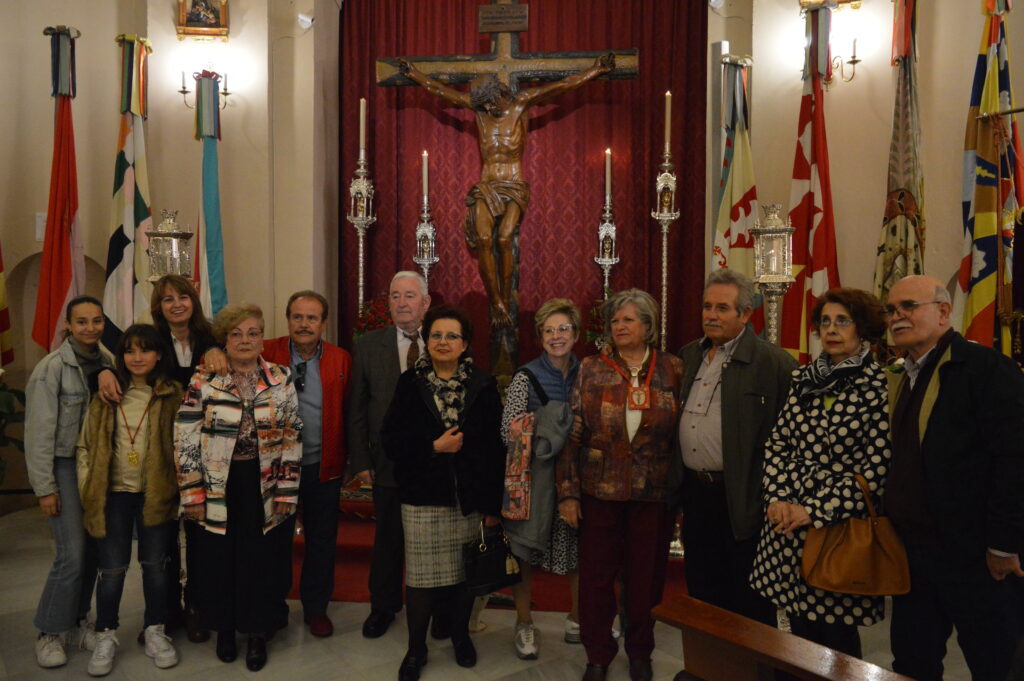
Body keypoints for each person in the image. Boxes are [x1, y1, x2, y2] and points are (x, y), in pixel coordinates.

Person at [397, 55, 614, 328]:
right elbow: (442, 92)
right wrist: (415, 75)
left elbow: (562, 87)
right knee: (485, 237)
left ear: (499, 95)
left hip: (514, 185)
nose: (487, 108)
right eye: (482, 105)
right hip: (487, 185)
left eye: (490, 103)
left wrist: (594, 71)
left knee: (504, 238)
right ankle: (497, 299)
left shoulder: (521, 103)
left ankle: (506, 298)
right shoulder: (479, 110)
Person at [884, 275, 1024, 681]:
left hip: (975, 556)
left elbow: (1014, 459)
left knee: (996, 663)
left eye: (908, 306)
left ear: (943, 312)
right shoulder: (901, 375)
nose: (897, 317)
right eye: (891, 310)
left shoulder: (985, 369)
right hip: (915, 554)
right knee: (911, 663)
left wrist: (1003, 543)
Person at [748, 288, 891, 658]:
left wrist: (812, 510)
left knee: (836, 639)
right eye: (825, 322)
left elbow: (875, 470)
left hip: (836, 530)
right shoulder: (804, 378)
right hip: (786, 525)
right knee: (795, 634)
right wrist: (777, 496)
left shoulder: (880, 385)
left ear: (863, 328)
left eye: (842, 321)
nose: (832, 329)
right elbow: (778, 443)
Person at [557, 289, 685, 681]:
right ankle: (598, 654)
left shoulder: (672, 368)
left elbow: (681, 435)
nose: (620, 326)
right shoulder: (592, 368)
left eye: (629, 320)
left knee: (645, 579)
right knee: (596, 578)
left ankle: (640, 650)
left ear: (648, 326)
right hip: (600, 492)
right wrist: (568, 493)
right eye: (615, 321)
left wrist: (680, 498)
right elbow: (573, 434)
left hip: (653, 492)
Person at [95, 274, 229, 644]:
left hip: (208, 449)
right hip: (163, 451)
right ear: (159, 307)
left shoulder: (211, 338)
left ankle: (199, 608)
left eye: (182, 297)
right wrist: (103, 370)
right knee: (163, 540)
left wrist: (221, 351)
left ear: (193, 301)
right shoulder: (152, 341)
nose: (176, 304)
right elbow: (118, 362)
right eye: (167, 299)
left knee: (202, 536)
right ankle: (167, 611)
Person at [174, 303, 302, 672]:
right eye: (236, 334)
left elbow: (293, 436)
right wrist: (192, 494)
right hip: (218, 484)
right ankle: (226, 629)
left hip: (264, 482)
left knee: (261, 560)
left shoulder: (281, 377)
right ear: (224, 340)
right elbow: (184, 439)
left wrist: (287, 492)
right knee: (219, 559)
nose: (245, 340)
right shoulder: (203, 380)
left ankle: (257, 633)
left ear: (263, 337)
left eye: (253, 333)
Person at [381, 305, 504, 681]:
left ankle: (460, 636)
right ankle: (416, 648)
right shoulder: (410, 383)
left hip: (468, 499)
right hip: (423, 496)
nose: (443, 342)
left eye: (452, 336)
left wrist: (490, 505)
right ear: (426, 340)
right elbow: (391, 440)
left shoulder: (482, 385)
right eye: (436, 335)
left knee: (465, 577)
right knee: (421, 579)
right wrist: (433, 447)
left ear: (465, 344)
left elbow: (495, 450)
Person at [674, 268, 797, 628]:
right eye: (707, 306)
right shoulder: (689, 355)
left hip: (745, 500)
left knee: (747, 601)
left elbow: (790, 439)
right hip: (697, 495)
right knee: (703, 593)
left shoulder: (774, 364)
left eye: (722, 308)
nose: (711, 315)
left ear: (745, 314)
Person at [76, 324, 183, 675]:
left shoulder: (172, 394)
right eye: (129, 351)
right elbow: (86, 448)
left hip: (155, 495)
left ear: (159, 355)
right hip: (114, 496)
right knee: (112, 569)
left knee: (154, 567)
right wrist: (88, 488)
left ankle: (155, 629)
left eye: (145, 350)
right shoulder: (107, 393)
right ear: (121, 356)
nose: (137, 358)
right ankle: (106, 633)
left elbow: (185, 447)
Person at [25, 296, 113, 668]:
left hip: (95, 466)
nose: (90, 328)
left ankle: (79, 621)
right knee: (71, 553)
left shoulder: (109, 362)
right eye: (82, 322)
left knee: (94, 550)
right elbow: (39, 433)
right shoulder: (52, 369)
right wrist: (45, 488)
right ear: (69, 325)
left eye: (96, 321)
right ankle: (48, 631)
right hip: (63, 465)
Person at [262, 290, 352, 637]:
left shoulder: (341, 359)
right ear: (288, 320)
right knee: (276, 542)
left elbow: (347, 411)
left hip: (322, 465)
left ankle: (316, 609)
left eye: (311, 318)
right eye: (297, 317)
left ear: (323, 324)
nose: (304, 324)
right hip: (275, 467)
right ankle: (274, 608)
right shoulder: (266, 352)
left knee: (322, 542)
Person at [347, 271, 431, 639]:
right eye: (395, 295)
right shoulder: (368, 345)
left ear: (425, 303)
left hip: (435, 462)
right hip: (386, 462)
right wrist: (361, 462)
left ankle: (436, 608)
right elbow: (357, 409)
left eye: (409, 295)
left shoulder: (444, 340)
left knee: (431, 541)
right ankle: (383, 606)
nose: (401, 303)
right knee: (388, 541)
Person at [500, 298, 582, 659]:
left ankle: (578, 618)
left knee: (578, 551)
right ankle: (523, 623)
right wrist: (551, 429)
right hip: (533, 480)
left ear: (576, 334)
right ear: (540, 337)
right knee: (524, 552)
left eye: (563, 328)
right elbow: (507, 431)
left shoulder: (590, 371)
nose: (556, 336)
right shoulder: (526, 376)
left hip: (577, 479)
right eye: (549, 330)